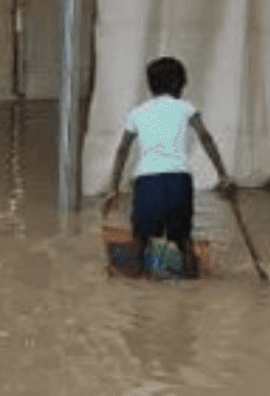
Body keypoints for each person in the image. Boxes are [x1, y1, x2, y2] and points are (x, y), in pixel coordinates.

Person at [99, 57, 232, 279]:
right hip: (179, 180)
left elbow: (122, 149)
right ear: (177, 84)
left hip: (147, 182)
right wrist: (223, 175)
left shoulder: (137, 113)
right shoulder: (187, 108)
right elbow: (206, 138)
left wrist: (113, 187)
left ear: (150, 84)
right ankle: (192, 287)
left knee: (141, 239)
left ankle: (136, 292)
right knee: (183, 241)